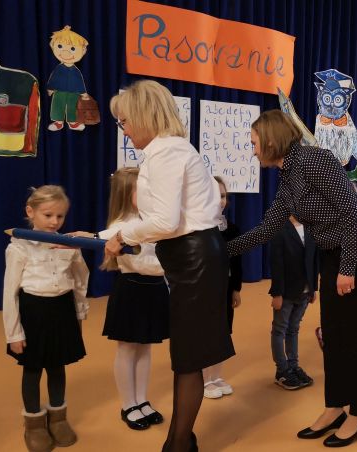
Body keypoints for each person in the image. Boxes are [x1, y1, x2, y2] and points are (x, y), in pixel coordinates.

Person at [227, 110, 357, 448]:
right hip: (332, 252)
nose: (253, 151)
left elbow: (351, 212)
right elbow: (267, 229)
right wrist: (221, 251)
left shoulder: (315, 160)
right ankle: (335, 407)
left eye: (254, 143)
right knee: (333, 333)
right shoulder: (287, 178)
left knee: (355, 335)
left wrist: (348, 267)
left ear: (271, 140)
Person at [106, 80, 234, 452]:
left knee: (188, 357)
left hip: (194, 260)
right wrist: (111, 234)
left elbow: (163, 221)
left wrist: (123, 234)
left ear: (144, 115)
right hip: (194, 257)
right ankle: (181, 438)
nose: (124, 130)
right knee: (187, 354)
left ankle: (178, 444)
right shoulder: (171, 150)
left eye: (125, 121)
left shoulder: (165, 153)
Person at [3, 185, 88, 451]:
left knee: (57, 365)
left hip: (62, 310)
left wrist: (79, 314)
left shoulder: (69, 244)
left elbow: (80, 279)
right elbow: (9, 293)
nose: (54, 222)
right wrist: (14, 333)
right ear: (31, 212)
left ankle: (58, 419)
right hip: (33, 313)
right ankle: (34, 424)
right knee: (32, 369)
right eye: (48, 215)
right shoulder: (18, 248)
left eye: (60, 216)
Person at [98, 169, 169, 431]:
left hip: (154, 290)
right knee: (128, 349)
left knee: (145, 347)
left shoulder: (150, 220)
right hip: (132, 290)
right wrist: (170, 266)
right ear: (127, 193)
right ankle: (128, 404)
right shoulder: (120, 227)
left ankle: (142, 399)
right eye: (143, 190)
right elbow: (144, 263)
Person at [202, 177, 242, 399]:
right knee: (206, 333)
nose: (221, 200)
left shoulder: (232, 228)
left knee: (223, 331)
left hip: (225, 289)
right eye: (215, 196)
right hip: (204, 289)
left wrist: (236, 288)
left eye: (224, 196)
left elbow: (236, 262)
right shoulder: (198, 228)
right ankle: (204, 379)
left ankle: (216, 376)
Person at [269, 215, 318, 390]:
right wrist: (277, 293)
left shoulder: (310, 226)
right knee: (279, 330)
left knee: (293, 329)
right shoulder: (279, 228)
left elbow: (313, 259)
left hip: (305, 291)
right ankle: (282, 370)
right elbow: (276, 264)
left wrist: (313, 288)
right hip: (286, 292)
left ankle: (293, 366)